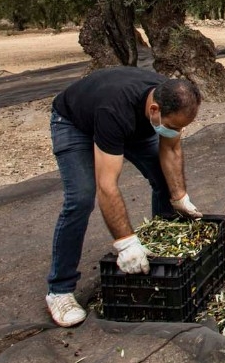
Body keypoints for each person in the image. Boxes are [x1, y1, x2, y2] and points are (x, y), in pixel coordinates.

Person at [44, 66, 204, 327]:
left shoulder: (170, 96)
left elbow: (171, 148)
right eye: (172, 126)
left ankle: (162, 254)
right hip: (75, 124)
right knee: (81, 198)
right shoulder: (114, 111)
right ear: (154, 110)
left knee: (164, 180)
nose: (174, 131)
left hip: (130, 124)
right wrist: (125, 242)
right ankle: (59, 290)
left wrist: (179, 196)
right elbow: (107, 185)